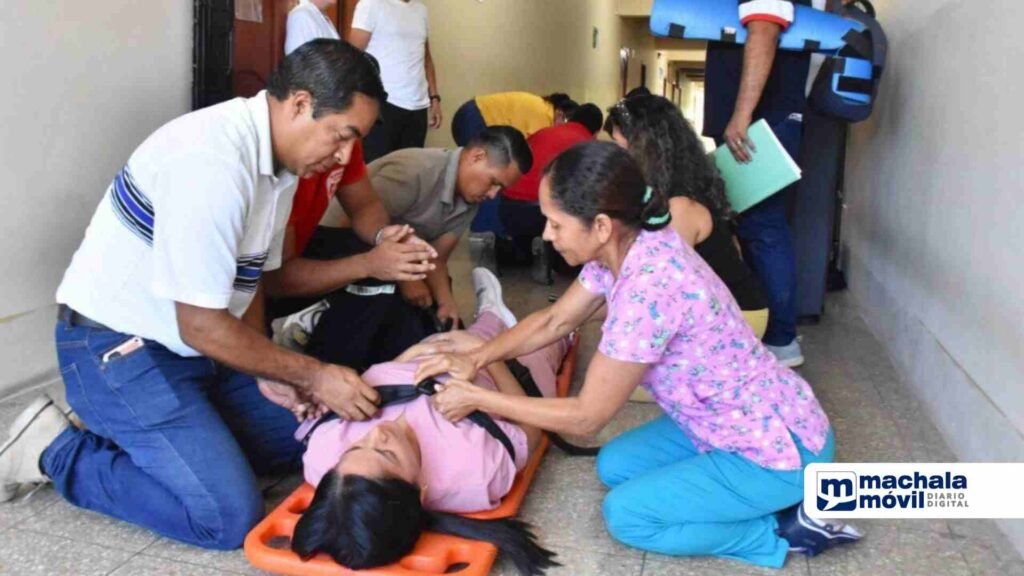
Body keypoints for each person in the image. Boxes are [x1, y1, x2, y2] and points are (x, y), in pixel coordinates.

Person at [0, 40, 387, 549]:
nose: (344, 157)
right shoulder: (213, 159)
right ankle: (55, 449)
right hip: (115, 350)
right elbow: (200, 325)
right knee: (226, 516)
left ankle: (146, 433)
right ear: (299, 103)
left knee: (310, 431)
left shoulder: (281, 167)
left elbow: (249, 280)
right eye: (342, 136)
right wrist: (311, 373)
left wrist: (268, 369)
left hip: (192, 352)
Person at [415, 142, 862, 567]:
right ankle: (740, 493)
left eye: (556, 223)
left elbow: (587, 417)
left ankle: (782, 530)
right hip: (726, 419)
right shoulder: (629, 246)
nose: (547, 235)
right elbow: (554, 321)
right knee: (615, 465)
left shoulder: (646, 291)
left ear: (601, 226)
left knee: (628, 516)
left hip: (778, 451)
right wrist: (477, 358)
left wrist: (479, 397)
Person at [271, 268, 563, 575]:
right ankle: (501, 319)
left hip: (428, 351)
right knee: (547, 336)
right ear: (420, 491)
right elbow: (531, 431)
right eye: (387, 454)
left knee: (476, 326)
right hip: (508, 373)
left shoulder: (324, 457)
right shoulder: (474, 470)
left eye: (356, 447)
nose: (377, 433)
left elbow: (381, 381)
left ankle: (492, 314)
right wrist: (486, 358)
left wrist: (411, 355)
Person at [307, 125, 532, 369]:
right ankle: (328, 344)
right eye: (493, 182)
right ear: (477, 156)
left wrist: (447, 303)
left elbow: (437, 258)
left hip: (396, 258)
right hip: (334, 250)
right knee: (394, 306)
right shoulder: (415, 171)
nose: (493, 195)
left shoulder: (470, 199)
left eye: (501, 189)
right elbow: (352, 228)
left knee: (442, 324)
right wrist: (405, 278)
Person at [703, 0, 826, 367]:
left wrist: (741, 116)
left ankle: (780, 340)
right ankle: (770, 332)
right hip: (761, 121)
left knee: (764, 228)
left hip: (759, 124)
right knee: (756, 227)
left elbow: (764, 30)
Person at [605, 94, 770, 339]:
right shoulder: (666, 190)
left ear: (646, 148)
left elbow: (657, 285)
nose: (616, 158)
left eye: (620, 147)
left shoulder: (679, 206)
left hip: (739, 313)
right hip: (706, 305)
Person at [499, 103, 604, 285]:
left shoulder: (544, 131)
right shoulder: (587, 143)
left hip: (507, 207)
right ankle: (549, 256)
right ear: (596, 131)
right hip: (542, 214)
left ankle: (510, 249)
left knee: (523, 250)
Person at [347, 0, 440, 162]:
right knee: (379, 169)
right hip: (384, 105)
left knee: (410, 169)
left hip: (418, 107)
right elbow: (351, 56)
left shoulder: (421, 10)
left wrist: (434, 98)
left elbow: (426, 57)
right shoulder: (371, 4)